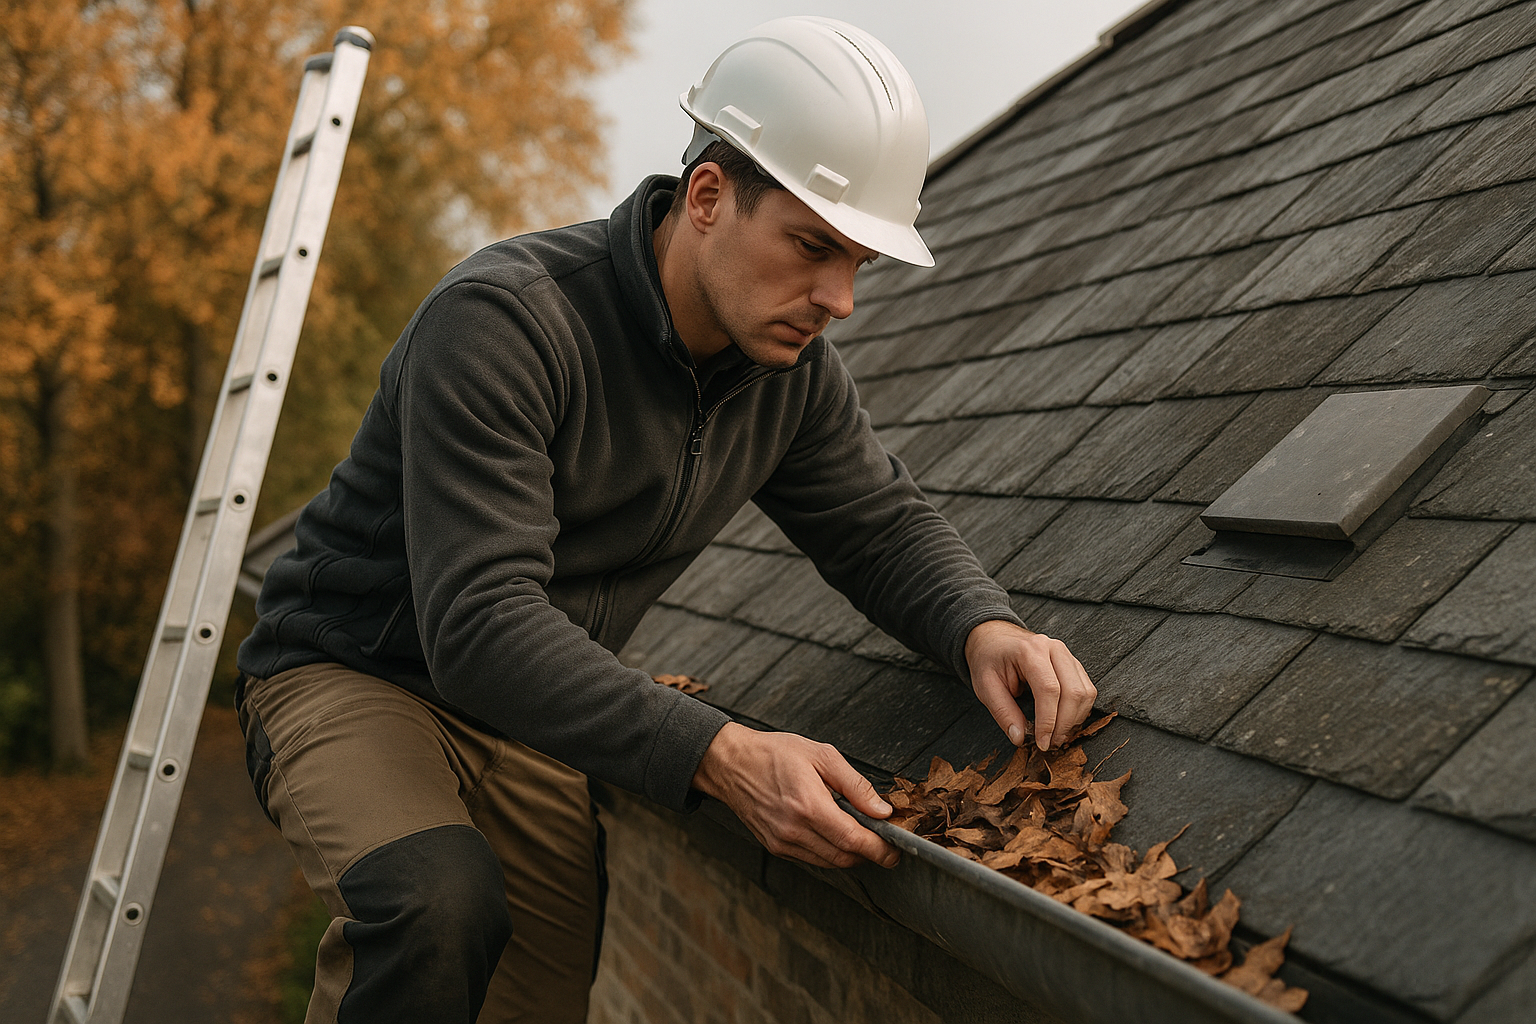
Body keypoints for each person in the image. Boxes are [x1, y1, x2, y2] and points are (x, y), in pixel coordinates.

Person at [235, 16, 1095, 1024]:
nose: (840, 300)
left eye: (859, 262)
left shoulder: (791, 381)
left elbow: (877, 524)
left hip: (535, 714)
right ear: (707, 197)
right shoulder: (506, 323)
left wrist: (980, 625)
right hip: (356, 671)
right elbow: (478, 622)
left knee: (539, 995)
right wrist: (722, 754)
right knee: (435, 902)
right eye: (814, 246)